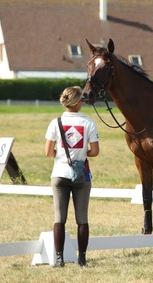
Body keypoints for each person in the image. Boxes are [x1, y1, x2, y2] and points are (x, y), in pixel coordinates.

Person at [45, 86, 100, 267]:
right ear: (76, 103)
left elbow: (48, 152)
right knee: (82, 218)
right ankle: (82, 258)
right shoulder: (89, 123)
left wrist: (62, 156)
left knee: (59, 218)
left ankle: (59, 259)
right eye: (82, 100)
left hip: (60, 173)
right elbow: (95, 151)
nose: (84, 103)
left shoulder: (56, 122)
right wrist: (81, 155)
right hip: (81, 175)